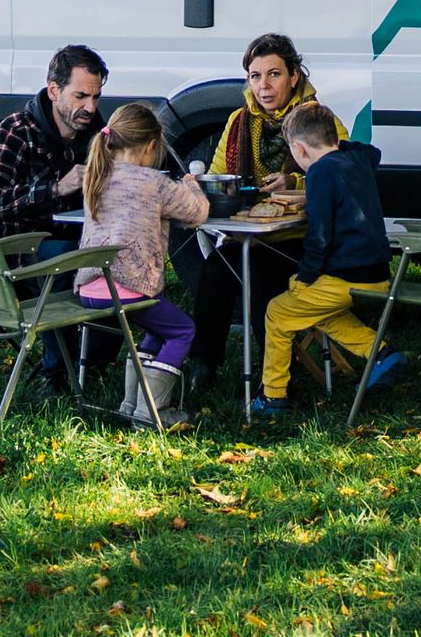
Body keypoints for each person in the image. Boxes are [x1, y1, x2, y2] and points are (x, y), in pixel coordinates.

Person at [255, 101, 403, 422]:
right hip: (376, 274)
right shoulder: (358, 159)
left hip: (343, 276)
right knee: (319, 313)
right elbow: (371, 150)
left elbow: (319, 235)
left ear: (298, 149)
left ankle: (273, 396)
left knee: (278, 313)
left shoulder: (321, 173)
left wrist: (306, 275)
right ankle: (381, 353)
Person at [73, 102, 208, 420]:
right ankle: (153, 411)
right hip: (127, 287)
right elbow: (197, 212)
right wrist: (192, 185)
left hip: (91, 286)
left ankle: (131, 404)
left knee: (156, 325)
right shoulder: (155, 184)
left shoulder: (99, 174)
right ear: (150, 145)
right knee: (183, 330)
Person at [0, 44, 106, 238]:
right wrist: (56, 189)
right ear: (54, 91)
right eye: (80, 96)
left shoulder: (101, 136)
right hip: (28, 247)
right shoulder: (17, 131)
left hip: (88, 244)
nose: (90, 107)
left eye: (96, 97)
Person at [206, 33, 340, 187]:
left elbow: (342, 176)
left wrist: (296, 184)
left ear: (294, 76)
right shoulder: (237, 121)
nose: (264, 84)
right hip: (246, 210)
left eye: (274, 74)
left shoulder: (318, 119)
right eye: (255, 76)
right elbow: (216, 178)